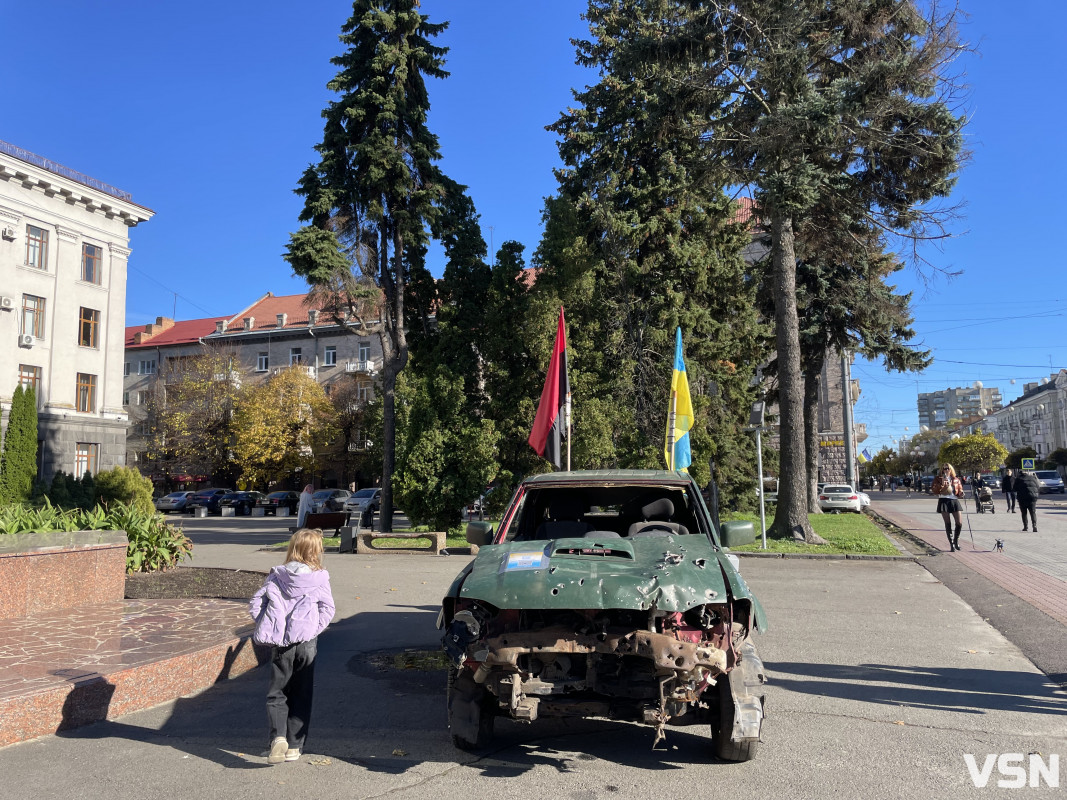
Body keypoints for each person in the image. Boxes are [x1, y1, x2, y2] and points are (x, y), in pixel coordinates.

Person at [249, 528, 336, 764]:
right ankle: (295, 746)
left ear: (293, 548)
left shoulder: (277, 576)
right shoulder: (319, 578)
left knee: (278, 691)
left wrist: (266, 625)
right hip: (306, 642)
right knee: (302, 691)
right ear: (316, 552)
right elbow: (328, 609)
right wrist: (313, 628)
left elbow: (257, 603)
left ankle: (278, 738)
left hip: (281, 643)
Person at [930, 463, 965, 552]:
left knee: (959, 522)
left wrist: (961, 493)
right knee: (948, 523)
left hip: (954, 500)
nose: (946, 470)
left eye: (947, 468)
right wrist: (941, 485)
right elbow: (934, 490)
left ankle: (956, 541)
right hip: (943, 500)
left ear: (951, 469)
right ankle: (951, 544)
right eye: (944, 469)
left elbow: (959, 489)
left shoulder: (956, 479)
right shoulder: (938, 479)